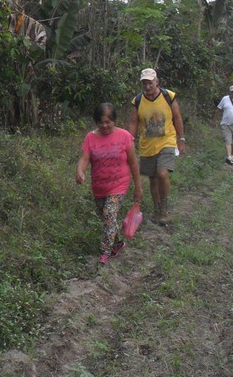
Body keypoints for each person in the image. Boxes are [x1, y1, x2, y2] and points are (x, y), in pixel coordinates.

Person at [76, 102, 143, 264]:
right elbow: (84, 158)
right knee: (107, 219)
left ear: (114, 121)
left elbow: (133, 163)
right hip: (99, 186)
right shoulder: (90, 138)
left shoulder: (124, 136)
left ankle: (105, 253)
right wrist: (80, 171)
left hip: (119, 184)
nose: (105, 126)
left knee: (109, 214)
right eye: (101, 122)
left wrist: (138, 186)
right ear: (96, 122)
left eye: (108, 122)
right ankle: (118, 243)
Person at [127, 68, 185, 225]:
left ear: (157, 82)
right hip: (147, 145)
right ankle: (157, 209)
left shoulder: (168, 96)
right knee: (153, 179)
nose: (147, 86)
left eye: (150, 83)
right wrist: (129, 141)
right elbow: (133, 122)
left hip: (167, 141)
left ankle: (164, 208)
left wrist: (181, 139)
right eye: (144, 83)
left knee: (162, 173)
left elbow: (177, 118)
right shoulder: (137, 101)